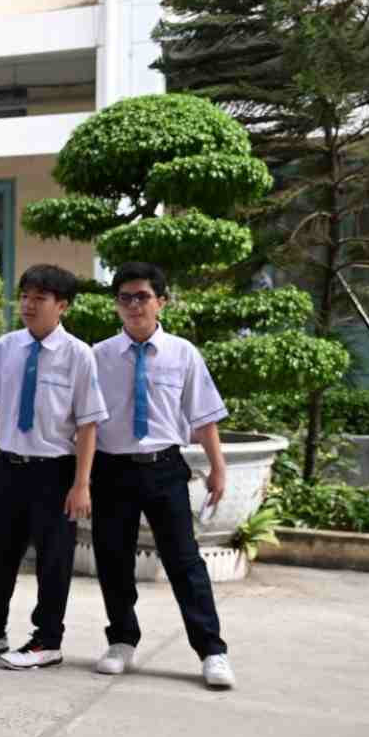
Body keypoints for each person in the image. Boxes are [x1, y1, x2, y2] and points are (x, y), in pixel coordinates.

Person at [0, 264, 107, 670]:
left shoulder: (78, 355)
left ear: (62, 305)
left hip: (54, 472)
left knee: (53, 560)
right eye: (25, 297)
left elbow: (88, 424)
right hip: (9, 468)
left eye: (40, 298)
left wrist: (82, 484)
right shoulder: (7, 347)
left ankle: (48, 639)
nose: (29, 305)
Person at [87, 263, 235, 690]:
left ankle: (212, 650)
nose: (134, 305)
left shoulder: (183, 354)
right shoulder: (98, 356)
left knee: (184, 561)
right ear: (117, 305)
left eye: (143, 297)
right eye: (125, 298)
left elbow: (204, 416)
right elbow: (85, 421)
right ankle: (121, 640)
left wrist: (218, 467)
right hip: (112, 468)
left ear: (162, 302)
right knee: (113, 559)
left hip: (165, 468)